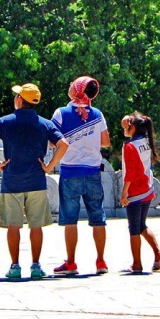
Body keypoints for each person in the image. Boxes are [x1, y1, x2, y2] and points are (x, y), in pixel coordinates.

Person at [0, 83, 69, 280]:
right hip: (37, 180)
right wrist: (49, 166)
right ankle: (36, 266)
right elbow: (63, 144)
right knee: (35, 226)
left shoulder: (5, 121)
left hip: (11, 181)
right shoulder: (45, 123)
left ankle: (15, 266)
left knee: (14, 226)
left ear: (19, 99)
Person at [50, 76, 110, 276]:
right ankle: (101, 261)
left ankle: (72, 262)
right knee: (98, 217)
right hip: (93, 171)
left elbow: (52, 141)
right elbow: (105, 142)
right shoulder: (98, 114)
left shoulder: (61, 113)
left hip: (70, 171)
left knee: (70, 219)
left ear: (75, 90)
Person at [119, 112, 160, 274]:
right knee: (141, 225)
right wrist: (129, 120)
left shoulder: (130, 146)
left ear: (133, 127)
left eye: (127, 126)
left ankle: (137, 264)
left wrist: (124, 193)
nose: (125, 128)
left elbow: (130, 172)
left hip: (135, 191)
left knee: (134, 228)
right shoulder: (147, 142)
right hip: (147, 189)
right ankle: (158, 253)